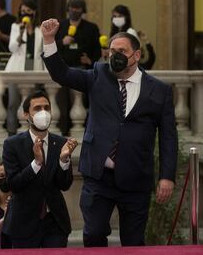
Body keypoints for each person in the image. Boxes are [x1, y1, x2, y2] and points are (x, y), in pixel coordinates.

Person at [41, 19, 178, 247]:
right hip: (99, 177)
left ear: (136, 55)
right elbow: (61, 74)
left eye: (122, 51)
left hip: (136, 178)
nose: (115, 55)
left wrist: (167, 176)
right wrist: (48, 40)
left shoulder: (159, 91)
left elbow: (168, 137)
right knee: (93, 234)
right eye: (112, 51)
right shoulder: (98, 75)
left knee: (134, 242)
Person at [2, 90, 78, 248]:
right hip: (23, 223)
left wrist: (64, 160)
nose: (43, 112)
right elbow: (13, 184)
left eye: (46, 108)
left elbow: (65, 185)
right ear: (25, 115)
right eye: (37, 108)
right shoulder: (12, 144)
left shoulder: (61, 143)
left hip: (55, 222)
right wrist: (36, 163)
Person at [55, 0, 101, 136]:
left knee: (79, 101)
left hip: (82, 71)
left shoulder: (91, 28)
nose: (74, 10)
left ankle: (81, 131)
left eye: (77, 8)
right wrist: (62, 42)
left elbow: (97, 50)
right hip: (62, 69)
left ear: (82, 10)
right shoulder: (60, 26)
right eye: (72, 8)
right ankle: (62, 131)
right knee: (61, 102)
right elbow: (49, 46)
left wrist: (90, 60)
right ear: (68, 9)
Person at [5, 0, 45, 135]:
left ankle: (32, 131)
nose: (24, 14)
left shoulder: (40, 30)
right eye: (22, 11)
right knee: (13, 102)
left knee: (31, 104)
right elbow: (12, 48)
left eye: (28, 11)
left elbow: (43, 50)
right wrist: (21, 33)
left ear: (34, 12)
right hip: (17, 69)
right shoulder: (16, 27)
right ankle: (11, 131)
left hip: (34, 69)